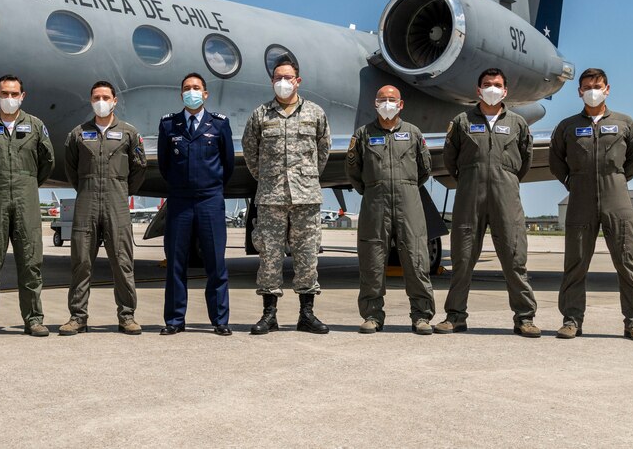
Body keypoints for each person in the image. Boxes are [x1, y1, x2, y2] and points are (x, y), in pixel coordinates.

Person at [436, 68, 539, 337]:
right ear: (478, 90)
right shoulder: (461, 121)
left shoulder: (518, 124)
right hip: (469, 197)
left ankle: (524, 318)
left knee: (515, 259)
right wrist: (472, 177)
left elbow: (525, 161)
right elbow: (451, 158)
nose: (491, 88)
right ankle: (455, 317)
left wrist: (504, 178)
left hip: (506, 198)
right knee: (462, 259)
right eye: (486, 84)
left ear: (505, 91)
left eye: (497, 84)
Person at [549, 67, 633, 341]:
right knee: (576, 262)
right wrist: (574, 182)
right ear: (579, 91)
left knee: (627, 260)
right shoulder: (567, 126)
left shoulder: (624, 123)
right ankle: (571, 320)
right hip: (580, 198)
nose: (593, 91)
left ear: (607, 89)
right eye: (587, 86)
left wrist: (616, 179)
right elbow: (556, 160)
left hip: (616, 196)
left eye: (598, 85)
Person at [241, 56, 331, 335]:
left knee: (307, 256)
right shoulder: (260, 115)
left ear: (297, 81)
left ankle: (306, 314)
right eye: (278, 78)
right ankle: (269, 315)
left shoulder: (315, 114)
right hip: (270, 198)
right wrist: (269, 179)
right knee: (269, 256)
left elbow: (323, 152)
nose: (283, 83)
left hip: (306, 198)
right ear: (272, 82)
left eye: (287, 78)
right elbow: (250, 152)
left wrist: (304, 179)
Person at [0, 74, 55, 339]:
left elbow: (46, 162)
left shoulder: (36, 126)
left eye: (14, 94)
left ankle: (34, 319)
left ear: (22, 96)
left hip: (26, 197)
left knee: (30, 261)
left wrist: (26, 182)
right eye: (5, 93)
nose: (10, 98)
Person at [345, 85, 435, 335]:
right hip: (375, 204)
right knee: (372, 261)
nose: (387, 103)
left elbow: (424, 169)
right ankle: (372, 315)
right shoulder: (363, 134)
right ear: (375, 104)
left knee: (417, 260)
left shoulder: (413, 133)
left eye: (392, 99)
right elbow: (354, 171)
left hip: (409, 203)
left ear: (401, 104)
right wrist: (374, 189)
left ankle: (421, 316)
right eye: (382, 99)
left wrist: (405, 188)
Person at [59, 81, 147, 336]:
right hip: (86, 202)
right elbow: (71, 169)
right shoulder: (77, 133)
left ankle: (127, 316)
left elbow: (139, 168)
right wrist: (86, 188)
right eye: (96, 97)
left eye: (105, 97)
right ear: (91, 100)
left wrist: (121, 191)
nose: (101, 101)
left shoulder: (129, 133)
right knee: (81, 262)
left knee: (122, 262)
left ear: (114, 100)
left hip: (116, 203)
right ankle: (77, 317)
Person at [156, 72, 234, 336]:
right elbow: (165, 165)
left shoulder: (220, 124)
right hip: (179, 201)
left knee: (215, 262)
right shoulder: (169, 125)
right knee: (176, 262)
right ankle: (175, 320)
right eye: (187, 88)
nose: (192, 91)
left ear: (205, 93)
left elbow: (229, 164)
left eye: (197, 88)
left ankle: (220, 320)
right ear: (181, 95)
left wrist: (208, 186)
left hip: (210, 201)